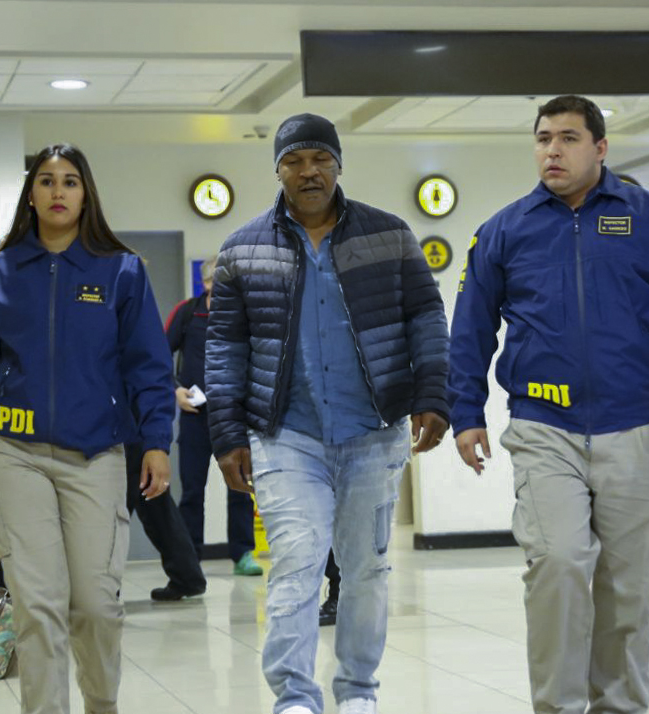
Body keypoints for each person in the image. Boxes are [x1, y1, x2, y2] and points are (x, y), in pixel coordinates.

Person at [448, 95, 649, 714]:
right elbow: (470, 327)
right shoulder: (505, 229)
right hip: (543, 424)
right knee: (557, 563)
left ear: (600, 149)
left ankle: (620, 705)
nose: (553, 150)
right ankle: (557, 707)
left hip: (634, 424)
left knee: (629, 588)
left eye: (569, 138)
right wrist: (466, 412)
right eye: (543, 138)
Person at [206, 113, 450, 714]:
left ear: (339, 165)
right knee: (296, 561)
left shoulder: (389, 235)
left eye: (320, 158)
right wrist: (225, 433)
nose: (308, 171)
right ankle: (294, 696)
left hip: (373, 430)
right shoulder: (243, 248)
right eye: (294, 160)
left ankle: (358, 690)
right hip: (286, 434)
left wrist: (433, 394)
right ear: (278, 170)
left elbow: (426, 316)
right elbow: (225, 347)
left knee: (366, 568)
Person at [0, 143, 175, 714]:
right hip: (10, 452)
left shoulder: (121, 271)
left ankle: (101, 705)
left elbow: (149, 363)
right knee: (38, 605)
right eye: (46, 181)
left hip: (95, 453)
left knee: (95, 604)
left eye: (70, 181)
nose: (58, 191)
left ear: (86, 193)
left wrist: (158, 442)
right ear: (31, 194)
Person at [166, 256, 262, 579]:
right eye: (214, 283)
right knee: (192, 490)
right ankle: (190, 558)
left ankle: (243, 553)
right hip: (196, 416)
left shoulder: (245, 314)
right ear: (204, 284)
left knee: (240, 486)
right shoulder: (187, 312)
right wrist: (175, 391)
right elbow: (156, 355)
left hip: (235, 417)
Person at [123, 442, 207, 602]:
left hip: (124, 436)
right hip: (137, 434)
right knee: (156, 505)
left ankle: (102, 585)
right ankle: (187, 577)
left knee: (117, 510)